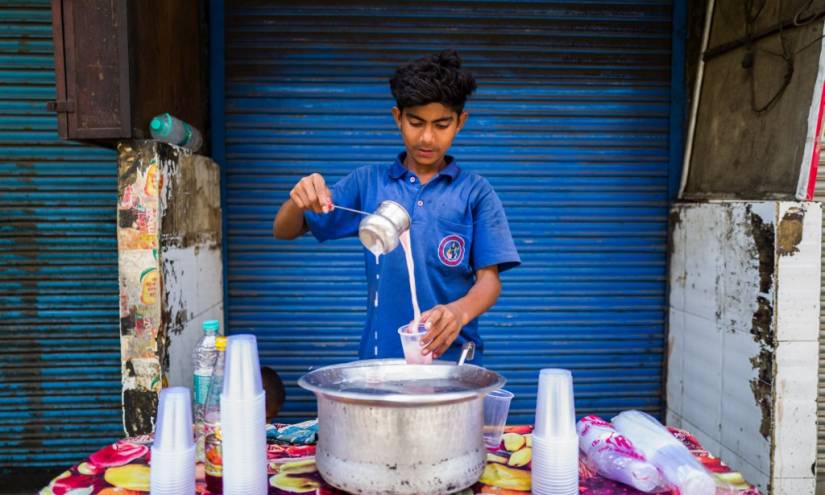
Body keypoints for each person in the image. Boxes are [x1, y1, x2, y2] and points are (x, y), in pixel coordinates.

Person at [273, 50, 520, 364]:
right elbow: (283, 230)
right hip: (380, 361)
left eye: (441, 125)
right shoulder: (369, 183)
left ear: (460, 123)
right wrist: (300, 199)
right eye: (416, 123)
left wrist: (458, 312)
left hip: (453, 361)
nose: (427, 137)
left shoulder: (475, 193)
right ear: (397, 118)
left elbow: (490, 281)